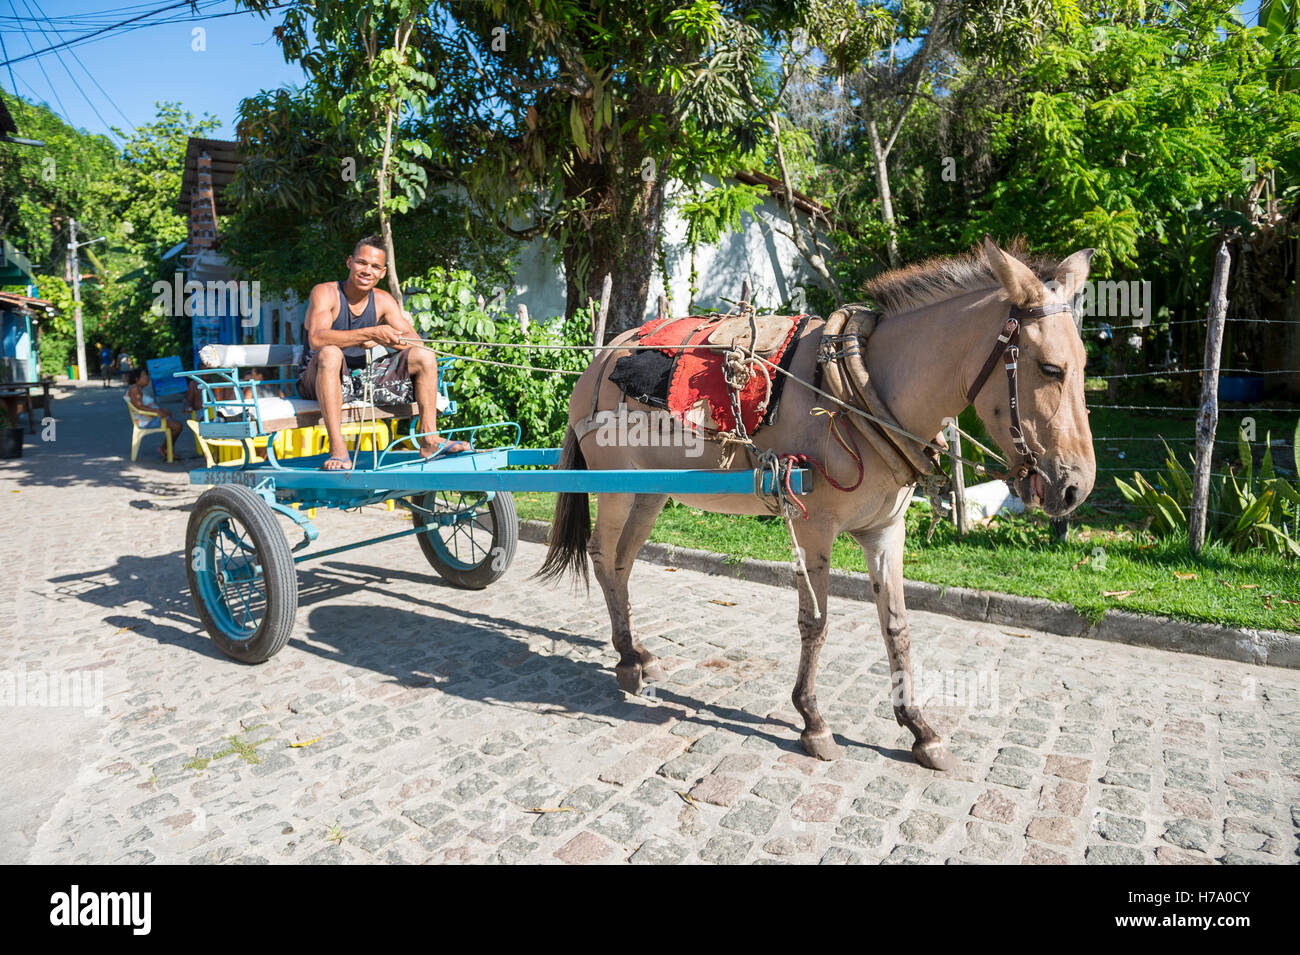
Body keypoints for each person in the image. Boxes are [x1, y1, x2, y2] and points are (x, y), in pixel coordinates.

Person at [297, 234, 469, 470]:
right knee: (330, 353)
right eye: (362, 263)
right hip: (317, 380)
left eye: (375, 266)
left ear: (383, 272)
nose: (368, 270)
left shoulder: (383, 300)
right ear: (349, 262)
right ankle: (338, 448)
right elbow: (317, 338)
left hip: (361, 381)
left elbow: (417, 345)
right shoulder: (326, 292)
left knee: (425, 356)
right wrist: (369, 334)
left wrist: (388, 338)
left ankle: (429, 439)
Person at [126, 367, 183, 458]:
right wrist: (157, 411)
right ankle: (165, 448)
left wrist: (162, 410)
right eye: (145, 375)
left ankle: (167, 449)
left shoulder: (139, 389)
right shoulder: (135, 389)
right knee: (177, 426)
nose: (148, 377)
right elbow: (139, 406)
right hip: (146, 421)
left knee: (175, 424)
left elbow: (145, 405)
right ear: (137, 379)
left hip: (151, 417)